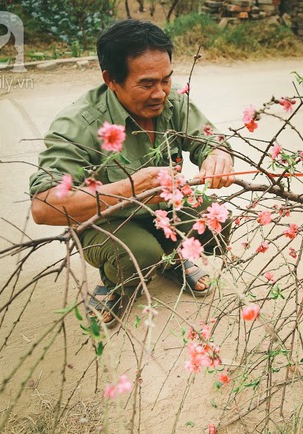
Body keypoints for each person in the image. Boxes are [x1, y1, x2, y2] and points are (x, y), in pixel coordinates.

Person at [29, 20, 234, 326]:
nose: (160, 93)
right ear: (111, 79)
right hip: (109, 221)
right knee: (139, 255)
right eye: (147, 84)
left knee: (216, 223)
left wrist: (218, 158)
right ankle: (116, 280)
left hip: (165, 208)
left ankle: (171, 257)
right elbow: (43, 207)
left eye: (166, 80)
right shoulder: (78, 124)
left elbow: (212, 141)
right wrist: (130, 187)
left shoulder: (172, 99)